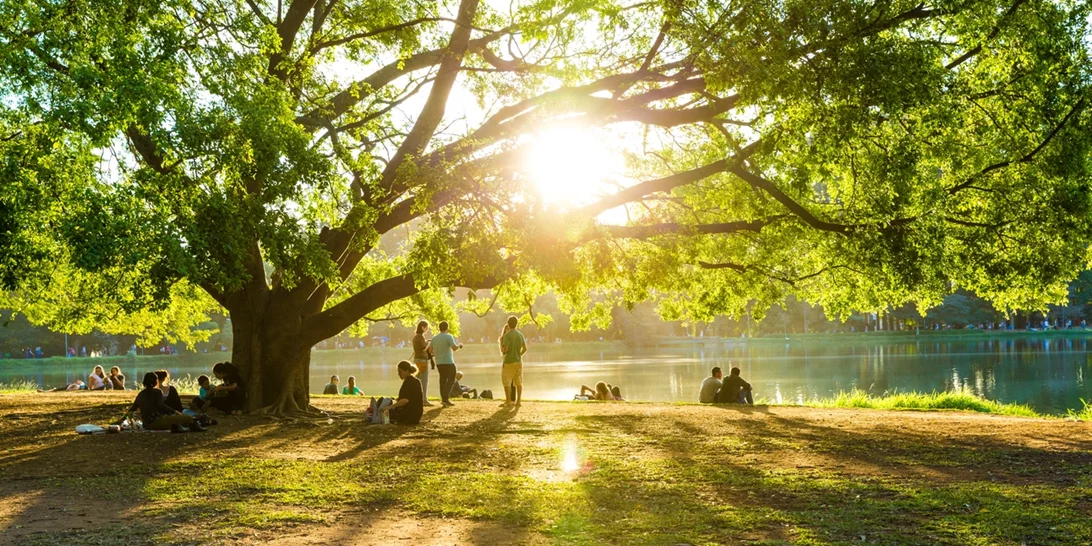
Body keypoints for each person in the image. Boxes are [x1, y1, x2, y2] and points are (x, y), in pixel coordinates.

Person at [126, 372, 205, 432]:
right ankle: (193, 427)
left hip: (146, 424)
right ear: (155, 381)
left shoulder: (140, 394)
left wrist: (123, 419)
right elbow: (161, 405)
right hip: (159, 421)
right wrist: (175, 411)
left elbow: (132, 409)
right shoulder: (157, 392)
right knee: (188, 418)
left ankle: (179, 426)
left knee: (176, 419)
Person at [430, 321, 463, 407]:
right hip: (448, 362)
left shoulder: (434, 338)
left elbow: (430, 351)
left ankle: (443, 398)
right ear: (447, 328)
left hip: (439, 363)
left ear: (439, 328)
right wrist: (459, 345)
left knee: (443, 379)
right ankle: (445, 398)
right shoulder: (448, 336)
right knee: (451, 379)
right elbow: (454, 348)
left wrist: (438, 353)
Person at [499, 316, 526, 407]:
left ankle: (508, 401)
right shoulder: (520, 335)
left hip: (508, 361)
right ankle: (518, 401)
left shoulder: (507, 335)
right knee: (518, 381)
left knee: (506, 381)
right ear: (516, 324)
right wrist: (518, 355)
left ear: (508, 324)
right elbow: (525, 349)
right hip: (518, 361)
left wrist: (503, 349)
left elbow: (506, 349)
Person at [412, 320, 434, 406]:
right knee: (424, 381)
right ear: (422, 327)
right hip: (421, 361)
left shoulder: (417, 337)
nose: (427, 329)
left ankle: (417, 399)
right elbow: (424, 349)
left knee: (417, 381)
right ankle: (424, 400)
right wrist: (429, 343)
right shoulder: (419, 337)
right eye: (426, 327)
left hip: (417, 360)